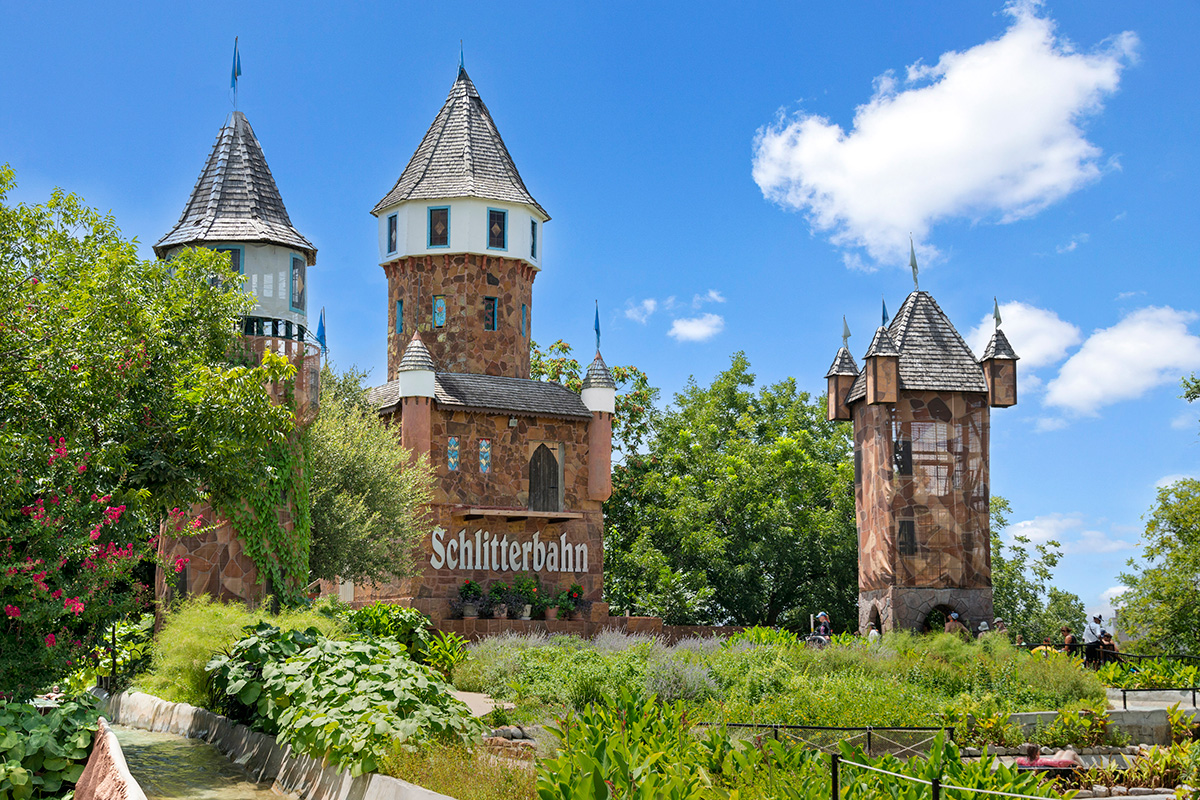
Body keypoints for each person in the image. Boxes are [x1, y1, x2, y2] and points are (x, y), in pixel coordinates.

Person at [1016, 742, 1082, 769]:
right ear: (1037, 753)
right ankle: (1084, 768)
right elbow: (1060, 763)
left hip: (1053, 762)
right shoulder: (1042, 761)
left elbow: (1015, 761)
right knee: (1070, 752)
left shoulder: (1020, 760)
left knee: (1060, 752)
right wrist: (1074, 762)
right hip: (1057, 763)